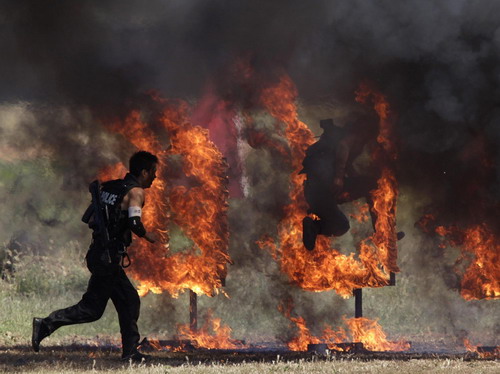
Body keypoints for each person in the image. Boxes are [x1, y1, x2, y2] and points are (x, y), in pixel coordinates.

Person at [32, 151, 159, 361]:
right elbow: (135, 223)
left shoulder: (111, 187)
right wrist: (150, 236)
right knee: (92, 310)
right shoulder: (135, 192)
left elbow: (94, 217)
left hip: (100, 253)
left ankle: (130, 352)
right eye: (153, 172)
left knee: (129, 300)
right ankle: (45, 324)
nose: (155, 177)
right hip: (107, 257)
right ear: (144, 172)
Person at [301, 118, 388, 251]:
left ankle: (314, 226)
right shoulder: (352, 137)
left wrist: (355, 181)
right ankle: (381, 232)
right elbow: (343, 146)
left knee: (342, 225)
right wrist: (338, 177)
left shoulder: (336, 144)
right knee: (373, 187)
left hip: (316, 193)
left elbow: (346, 164)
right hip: (324, 188)